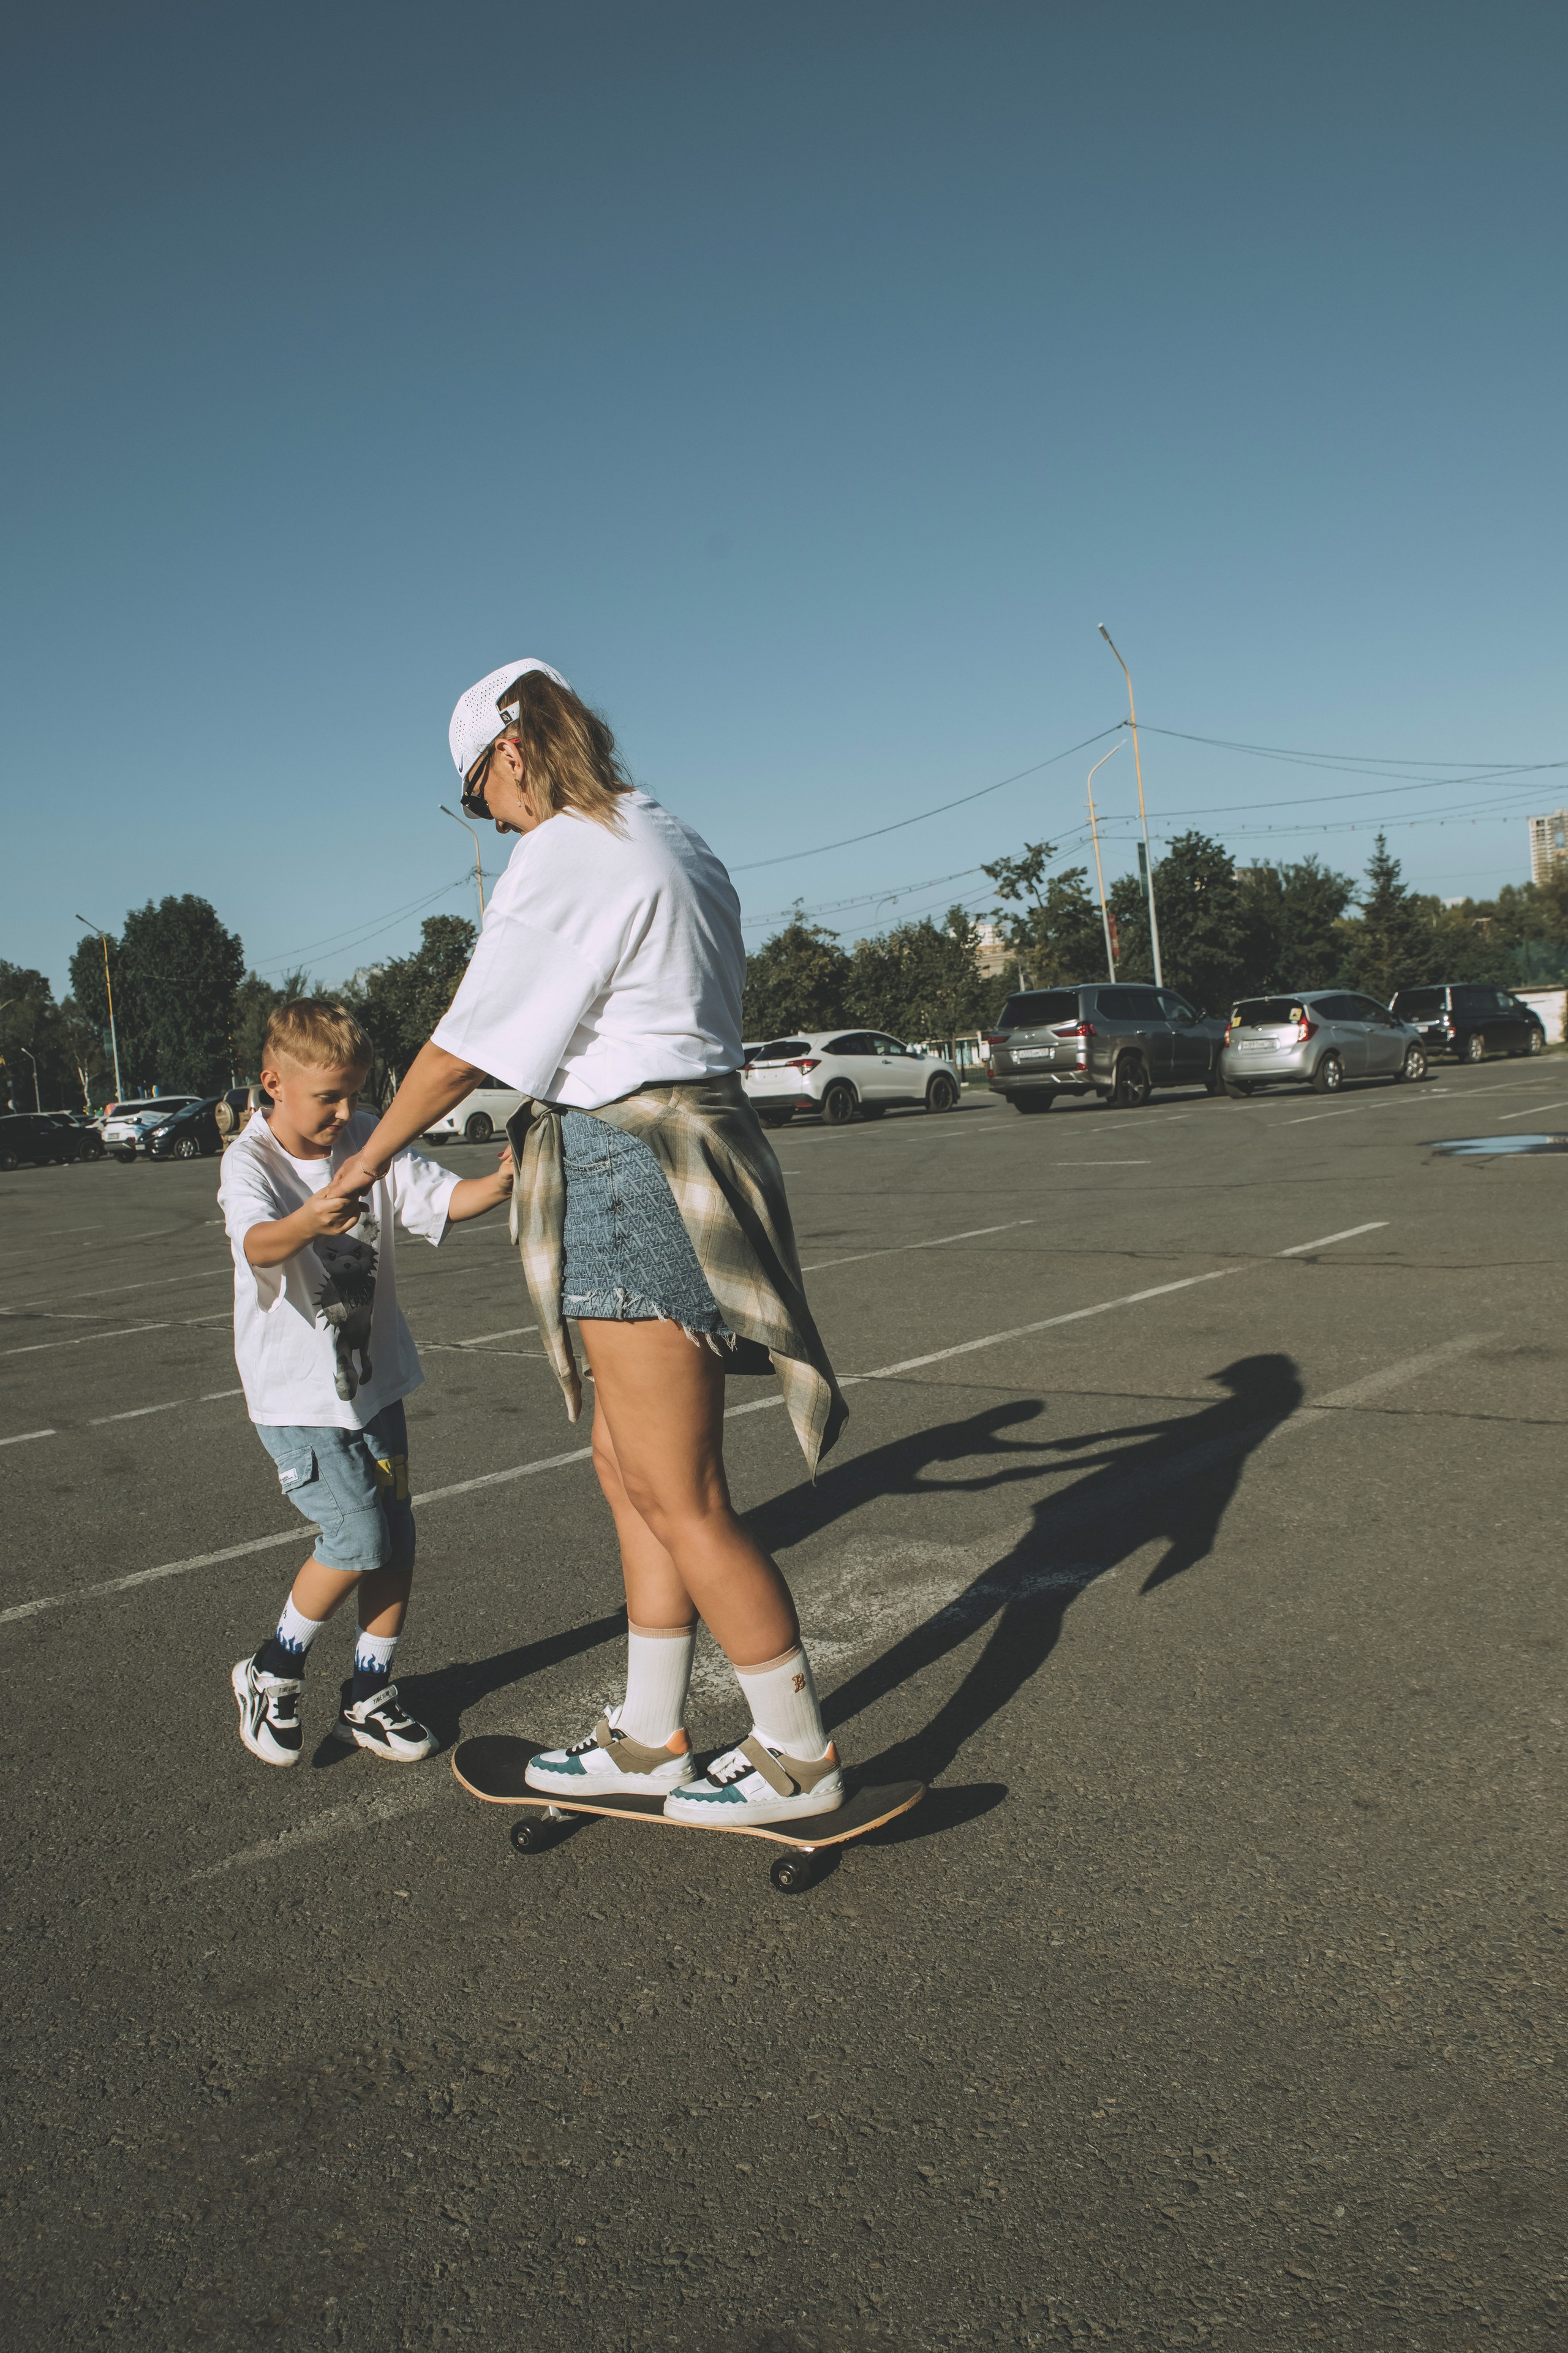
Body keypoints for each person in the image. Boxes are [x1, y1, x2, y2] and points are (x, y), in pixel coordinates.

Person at [324, 659, 850, 1824]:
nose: (488, 818)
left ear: (508, 755)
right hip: (678, 1147)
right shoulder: (672, 834)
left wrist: (362, 1166)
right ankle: (652, 1733)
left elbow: (464, 1051)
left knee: (681, 1488)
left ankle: (798, 1754)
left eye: (477, 795)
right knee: (628, 1469)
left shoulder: (564, 851)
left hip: (632, 1166)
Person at [220, 998, 512, 1768]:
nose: (346, 1111)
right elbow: (256, 1243)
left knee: (396, 1542)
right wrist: (309, 1220)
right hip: (299, 1401)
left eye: (355, 1093)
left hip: (374, 1387)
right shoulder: (250, 1160)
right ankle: (270, 1671)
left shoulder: (364, 1137)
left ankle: (369, 1695)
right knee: (356, 1537)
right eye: (329, 1097)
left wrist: (504, 1180)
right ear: (273, 1081)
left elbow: (442, 1199)